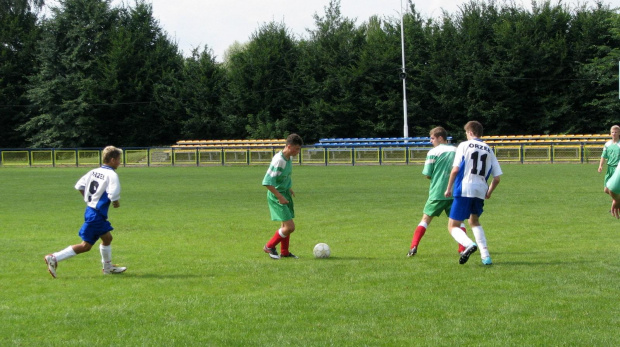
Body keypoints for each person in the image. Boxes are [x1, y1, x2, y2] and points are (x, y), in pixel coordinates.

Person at [44, 146, 127, 278]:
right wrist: (115, 202)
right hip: (96, 214)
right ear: (112, 160)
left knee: (104, 239)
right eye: (118, 159)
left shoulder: (94, 171)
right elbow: (114, 192)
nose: (119, 162)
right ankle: (54, 257)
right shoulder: (111, 174)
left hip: (91, 211)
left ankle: (107, 267)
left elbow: (79, 185)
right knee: (86, 245)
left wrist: (88, 199)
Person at [444, 121, 502, 265]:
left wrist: (449, 188)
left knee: (453, 225)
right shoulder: (489, 149)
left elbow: (456, 170)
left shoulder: (464, 145)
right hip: (481, 189)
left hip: (464, 187)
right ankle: (485, 256)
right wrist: (489, 192)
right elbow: (497, 178)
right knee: (474, 221)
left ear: (470, 132)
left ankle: (469, 244)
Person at [408, 127, 468, 257]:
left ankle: (413, 247)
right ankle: (462, 248)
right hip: (455, 192)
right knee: (458, 222)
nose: (431, 141)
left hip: (437, 192)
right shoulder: (457, 151)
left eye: (432, 138)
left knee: (425, 219)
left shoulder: (433, 152)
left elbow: (427, 174)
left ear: (441, 138)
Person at [262, 134, 303, 260]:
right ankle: (269, 246)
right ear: (289, 146)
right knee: (290, 227)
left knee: (285, 226)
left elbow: (282, 177)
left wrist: (288, 188)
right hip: (277, 195)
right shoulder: (279, 160)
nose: (298, 152)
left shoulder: (288, 158)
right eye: (296, 149)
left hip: (284, 192)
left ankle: (284, 252)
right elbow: (267, 182)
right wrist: (279, 197)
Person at [598, 125, 620, 195]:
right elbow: (603, 156)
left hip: (617, 169)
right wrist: (600, 166)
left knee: (613, 189)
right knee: (606, 189)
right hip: (609, 168)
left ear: (619, 133)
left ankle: (616, 201)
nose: (614, 134)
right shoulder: (607, 144)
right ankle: (617, 199)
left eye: (616, 132)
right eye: (612, 132)